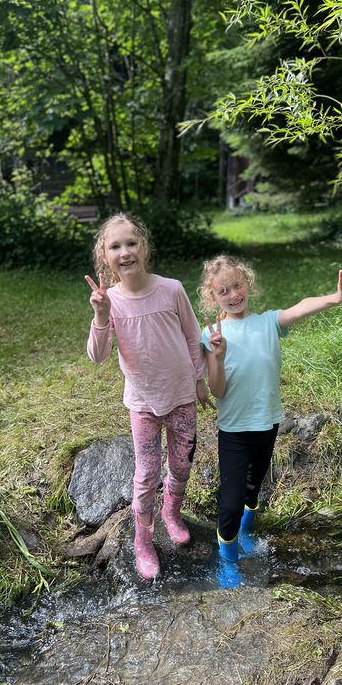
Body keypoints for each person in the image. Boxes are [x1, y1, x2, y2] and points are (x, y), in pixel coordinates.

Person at [198, 254, 342, 568]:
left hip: (267, 423)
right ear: (213, 297)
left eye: (237, 285)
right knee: (230, 505)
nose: (233, 295)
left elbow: (301, 307)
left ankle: (245, 531)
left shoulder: (268, 322)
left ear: (248, 284)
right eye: (223, 291)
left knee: (252, 488)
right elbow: (217, 390)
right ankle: (228, 563)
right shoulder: (213, 336)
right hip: (233, 429)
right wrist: (217, 356)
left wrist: (336, 298)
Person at [85, 213, 211, 581]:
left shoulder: (171, 289)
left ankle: (171, 512)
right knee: (146, 474)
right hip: (142, 403)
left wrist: (200, 379)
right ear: (105, 257)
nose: (125, 252)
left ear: (144, 247)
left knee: (182, 465)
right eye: (115, 246)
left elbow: (193, 336)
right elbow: (97, 355)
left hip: (182, 395)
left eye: (131, 243)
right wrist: (101, 315)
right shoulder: (109, 301)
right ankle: (143, 539)